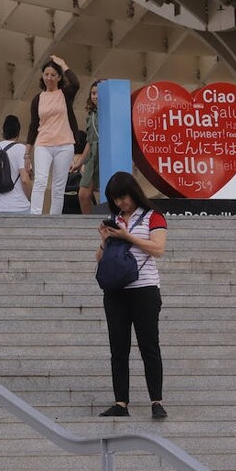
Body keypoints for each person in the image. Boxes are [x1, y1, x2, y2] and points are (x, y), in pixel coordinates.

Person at [95, 171, 168, 419]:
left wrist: (128, 237)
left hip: (145, 289)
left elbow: (158, 249)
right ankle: (120, 402)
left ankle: (156, 401)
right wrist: (105, 240)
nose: (120, 204)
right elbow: (99, 258)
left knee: (149, 346)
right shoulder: (114, 219)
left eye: (122, 198)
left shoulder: (153, 217)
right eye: (115, 200)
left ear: (133, 192)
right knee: (118, 347)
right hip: (116, 291)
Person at [25, 54, 81, 214]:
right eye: (46, 74)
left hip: (64, 145)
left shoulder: (65, 94)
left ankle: (54, 217)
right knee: (40, 181)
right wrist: (27, 153)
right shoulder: (38, 99)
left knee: (58, 185)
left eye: (53, 75)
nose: (49, 78)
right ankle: (35, 215)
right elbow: (33, 125)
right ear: (42, 76)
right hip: (43, 144)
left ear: (59, 77)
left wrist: (63, 63)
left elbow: (76, 83)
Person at [0, 115, 31, 214]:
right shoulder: (21, 149)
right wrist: (29, 198)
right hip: (21, 207)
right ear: (18, 132)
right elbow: (25, 180)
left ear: (3, 132)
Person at [72, 80, 103, 214]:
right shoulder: (91, 115)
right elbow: (90, 143)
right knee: (83, 194)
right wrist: (79, 163)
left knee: (106, 193)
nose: (95, 96)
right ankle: (90, 223)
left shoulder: (111, 112)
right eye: (93, 93)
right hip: (92, 157)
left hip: (105, 154)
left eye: (98, 93)